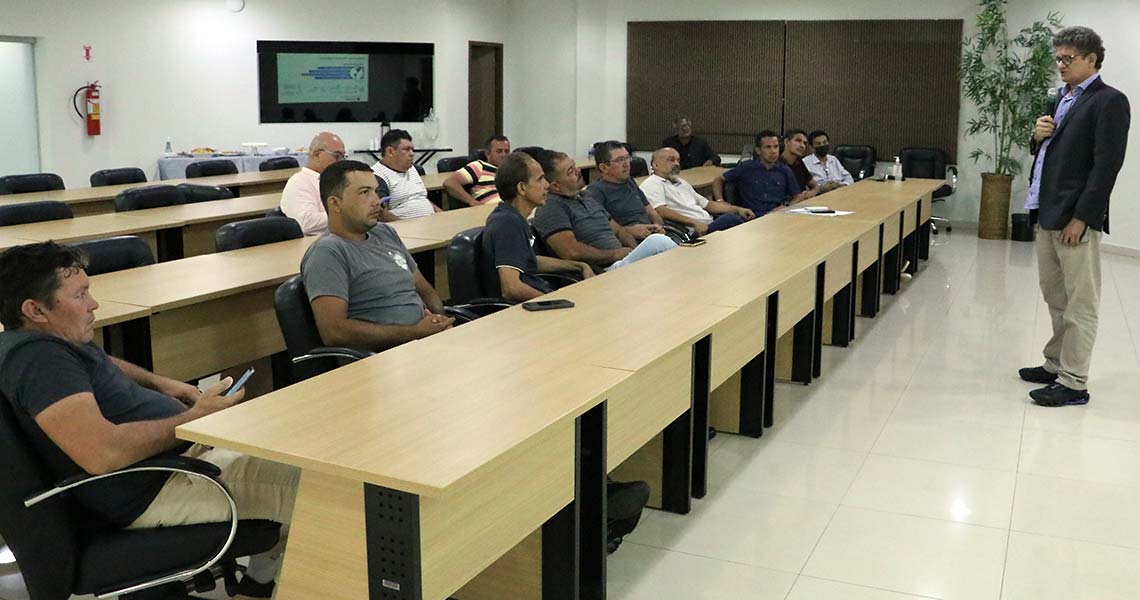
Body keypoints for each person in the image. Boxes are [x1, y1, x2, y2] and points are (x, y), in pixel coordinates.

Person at [0, 242, 296, 599]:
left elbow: (102, 364)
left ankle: (259, 583)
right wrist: (191, 420)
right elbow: (103, 454)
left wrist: (163, 384)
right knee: (321, 491)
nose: (94, 304)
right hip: (157, 486)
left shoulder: (53, 339)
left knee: (298, 456)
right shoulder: (40, 363)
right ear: (35, 309)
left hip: (173, 465)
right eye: (80, 295)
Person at [1018, 26, 1130, 407]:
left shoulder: (1109, 101)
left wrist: (1082, 217)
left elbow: (1106, 166)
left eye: (1068, 58)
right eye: (1058, 58)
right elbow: (1050, 153)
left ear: (1091, 59)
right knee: (1055, 296)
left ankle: (1074, 382)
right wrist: (1037, 136)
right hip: (1046, 210)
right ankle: (1055, 364)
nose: (1061, 65)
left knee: (1080, 303)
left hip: (1074, 218)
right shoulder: (1060, 98)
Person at [302, 160, 454, 352]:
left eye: (375, 191)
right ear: (335, 203)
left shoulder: (385, 232)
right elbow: (334, 332)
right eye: (364, 192)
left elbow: (426, 291)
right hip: (382, 358)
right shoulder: (327, 253)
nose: (377, 200)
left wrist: (441, 322)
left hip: (423, 344)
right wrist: (415, 333)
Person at [534, 151, 676, 272]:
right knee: (658, 242)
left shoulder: (586, 197)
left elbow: (619, 231)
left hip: (622, 262)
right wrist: (615, 254)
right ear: (555, 186)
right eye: (570, 171)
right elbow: (571, 252)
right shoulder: (551, 206)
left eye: (574, 165)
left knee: (660, 253)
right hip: (602, 271)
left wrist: (635, 252)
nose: (578, 171)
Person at [482, 152, 594, 302]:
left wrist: (579, 266)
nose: (547, 185)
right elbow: (511, 288)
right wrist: (555, 301)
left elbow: (529, 260)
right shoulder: (507, 223)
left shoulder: (514, 218)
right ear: (522, 188)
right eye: (540, 179)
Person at [641, 147, 754, 236]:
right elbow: (661, 211)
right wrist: (693, 222)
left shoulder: (681, 182)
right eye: (671, 160)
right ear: (655, 165)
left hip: (708, 223)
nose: (677, 164)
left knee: (738, 217)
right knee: (731, 220)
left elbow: (708, 204)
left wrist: (737, 209)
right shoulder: (652, 184)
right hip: (693, 231)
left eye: (678, 160)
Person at [582, 140, 667, 241]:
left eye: (627, 158)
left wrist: (658, 226)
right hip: (628, 242)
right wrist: (629, 231)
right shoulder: (595, 191)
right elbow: (600, 229)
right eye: (619, 160)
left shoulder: (629, 181)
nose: (626, 164)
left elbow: (650, 211)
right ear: (604, 167)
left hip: (652, 236)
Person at [280, 131, 358, 236]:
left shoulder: (339, 179)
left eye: (343, 157)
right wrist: (347, 215)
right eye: (337, 156)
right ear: (317, 155)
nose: (341, 162)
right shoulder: (299, 182)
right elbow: (306, 224)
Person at [712, 130, 804, 217]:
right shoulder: (746, 167)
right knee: (728, 220)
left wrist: (786, 207)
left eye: (776, 147)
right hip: (751, 216)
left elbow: (798, 196)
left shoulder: (785, 170)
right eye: (768, 147)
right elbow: (718, 180)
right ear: (758, 150)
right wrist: (720, 201)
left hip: (775, 216)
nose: (773, 151)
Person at [371, 129, 442, 219]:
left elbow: (420, 197)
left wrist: (442, 215)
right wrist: (405, 225)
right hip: (404, 225)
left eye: (412, 150)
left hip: (429, 221)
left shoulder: (412, 168)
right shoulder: (377, 176)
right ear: (390, 152)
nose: (412, 154)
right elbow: (381, 215)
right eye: (406, 149)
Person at [443, 135, 512, 207]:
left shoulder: (511, 169)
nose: (504, 155)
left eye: (507, 151)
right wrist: (471, 201)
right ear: (487, 153)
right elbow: (449, 183)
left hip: (512, 207)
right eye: (499, 151)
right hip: (493, 209)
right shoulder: (480, 166)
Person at [781, 129, 820, 198]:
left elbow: (815, 186)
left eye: (804, 143)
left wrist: (810, 193)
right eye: (798, 141)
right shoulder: (777, 164)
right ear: (786, 142)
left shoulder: (799, 162)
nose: (802, 146)